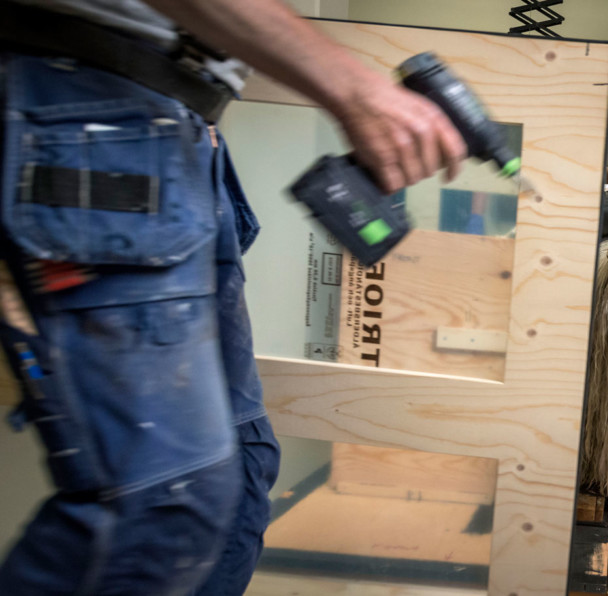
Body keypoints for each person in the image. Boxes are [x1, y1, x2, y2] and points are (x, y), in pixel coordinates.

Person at [0, 0, 467, 594]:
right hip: (91, 112)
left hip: (178, 126)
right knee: (161, 506)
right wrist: (353, 87)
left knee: (243, 474)